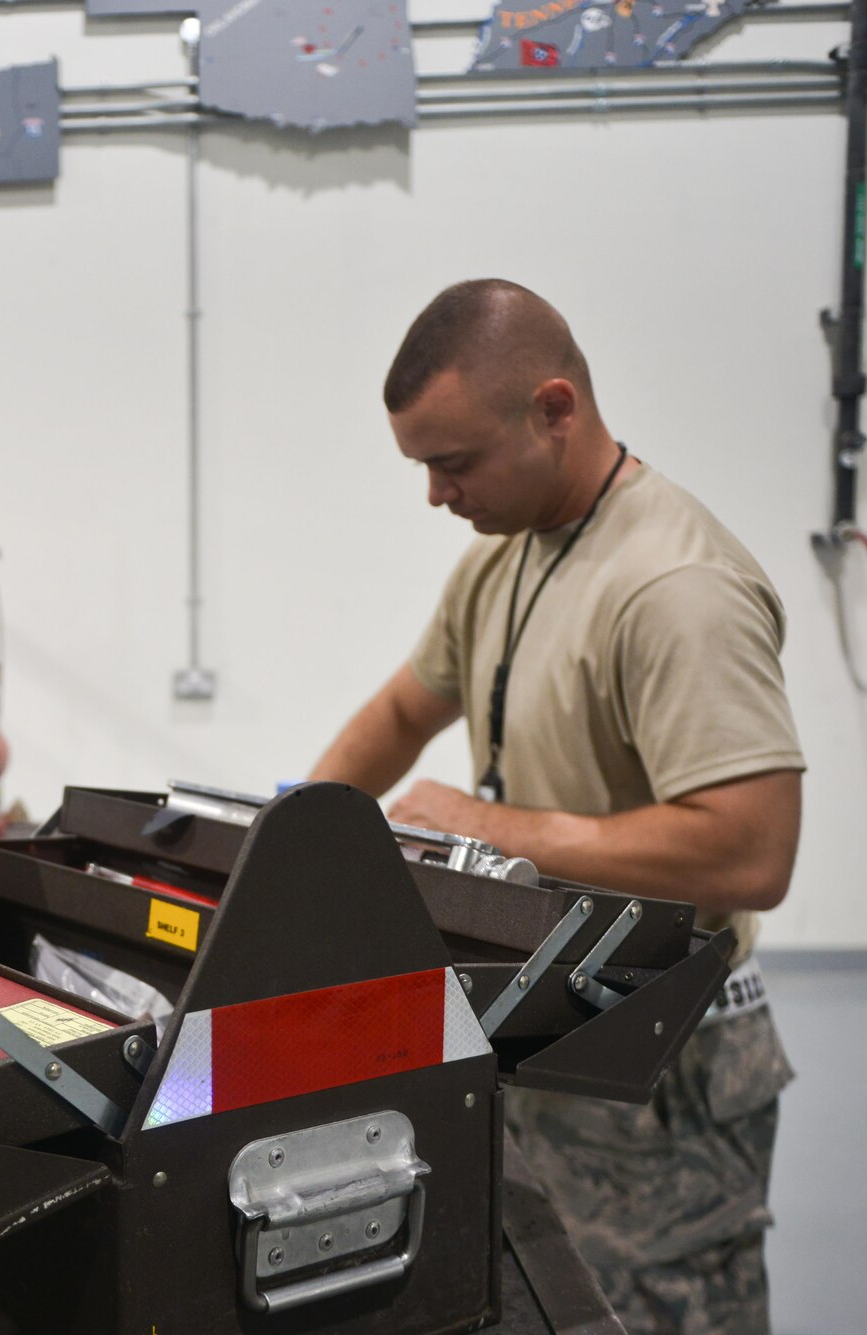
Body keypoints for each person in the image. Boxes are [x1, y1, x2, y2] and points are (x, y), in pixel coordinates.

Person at [308, 279, 802, 1334]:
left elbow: (750, 851)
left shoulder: (675, 588)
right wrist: (296, 840)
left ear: (553, 409)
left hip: (658, 1068)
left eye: (453, 462)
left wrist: (481, 824)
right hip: (545, 1035)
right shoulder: (507, 554)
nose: (437, 496)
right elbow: (402, 709)